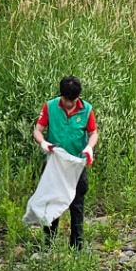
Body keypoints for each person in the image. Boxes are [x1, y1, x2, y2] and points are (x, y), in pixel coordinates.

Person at [34, 75, 98, 249]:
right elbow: (38, 130)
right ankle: (48, 245)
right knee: (52, 204)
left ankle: (76, 247)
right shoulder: (50, 107)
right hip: (54, 165)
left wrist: (89, 147)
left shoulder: (86, 110)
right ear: (61, 96)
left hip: (76, 165)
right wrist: (43, 143)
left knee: (77, 206)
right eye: (66, 100)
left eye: (73, 101)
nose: (69, 104)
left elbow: (93, 133)